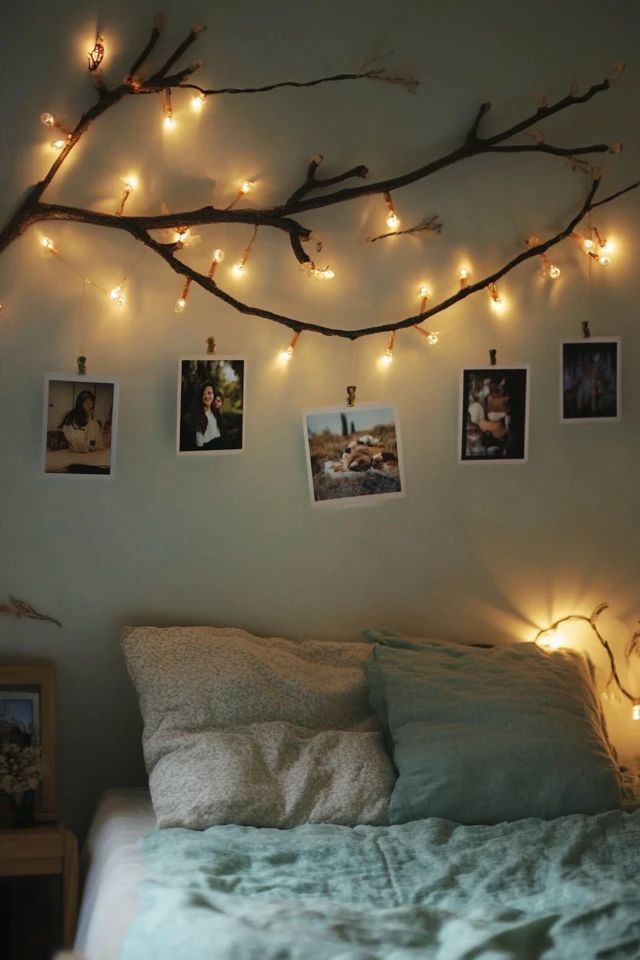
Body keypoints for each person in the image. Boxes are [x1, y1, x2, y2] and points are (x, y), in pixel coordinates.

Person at [191, 381, 225, 450]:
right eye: (204, 394)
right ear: (200, 396)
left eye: (209, 393)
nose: (207, 397)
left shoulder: (216, 414)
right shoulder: (197, 416)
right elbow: (199, 444)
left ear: (213, 395)